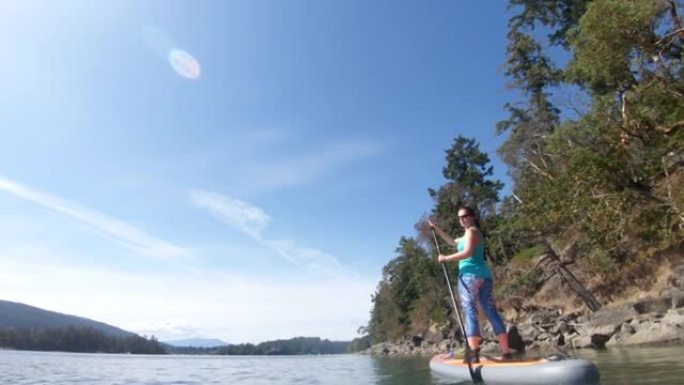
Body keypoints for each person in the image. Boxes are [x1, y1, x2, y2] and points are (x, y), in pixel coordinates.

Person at [429, 206, 512, 363]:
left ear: (473, 217)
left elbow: (466, 253)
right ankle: (506, 352)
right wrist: (436, 228)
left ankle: (473, 354)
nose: (462, 219)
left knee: (470, 312)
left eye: (465, 216)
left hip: (469, 278)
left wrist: (445, 258)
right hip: (484, 277)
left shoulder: (472, 232)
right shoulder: (470, 233)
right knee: (491, 312)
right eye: (460, 217)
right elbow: (452, 242)